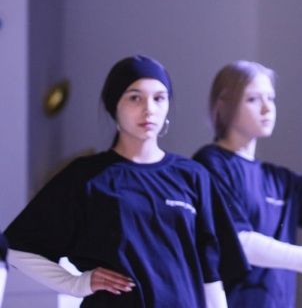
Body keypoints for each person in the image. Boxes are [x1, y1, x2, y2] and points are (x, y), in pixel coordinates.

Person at [3, 55, 248, 307]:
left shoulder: (193, 176)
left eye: (159, 98)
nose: (149, 109)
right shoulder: (87, 177)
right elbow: (16, 248)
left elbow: (210, 274)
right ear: (114, 106)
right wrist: (76, 284)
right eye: (135, 98)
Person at [194, 60, 302, 307]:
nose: (267, 109)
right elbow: (239, 241)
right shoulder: (210, 164)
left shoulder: (277, 179)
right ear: (222, 105)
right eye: (253, 99)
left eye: (270, 98)